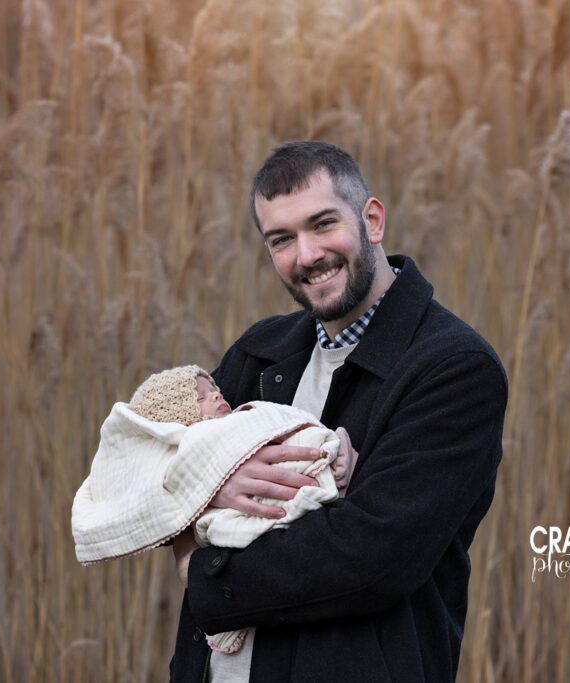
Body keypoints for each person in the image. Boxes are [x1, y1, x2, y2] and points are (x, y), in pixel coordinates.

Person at [168, 141, 508, 682]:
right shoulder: (260, 351)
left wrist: (201, 569)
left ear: (372, 220)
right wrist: (213, 484)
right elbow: (147, 468)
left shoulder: (453, 368)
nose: (307, 255)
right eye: (282, 239)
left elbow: (371, 557)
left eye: (323, 224)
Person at [70, 365, 357, 654]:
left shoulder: (241, 416)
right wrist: (208, 482)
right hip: (221, 627)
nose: (217, 395)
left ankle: (325, 461)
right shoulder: (246, 363)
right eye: (200, 398)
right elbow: (152, 476)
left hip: (308, 632)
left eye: (214, 390)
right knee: (225, 527)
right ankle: (322, 474)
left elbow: (269, 422)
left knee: (297, 451)